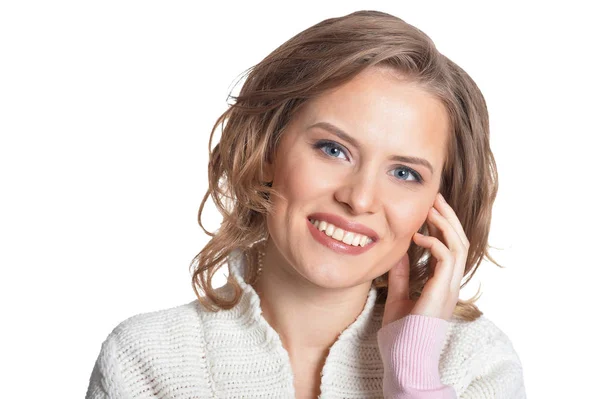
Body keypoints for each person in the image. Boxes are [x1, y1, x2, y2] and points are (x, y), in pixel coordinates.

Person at [86, 10, 526, 399]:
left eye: (405, 173)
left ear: (437, 206)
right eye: (333, 149)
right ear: (265, 151)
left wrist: (414, 377)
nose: (359, 198)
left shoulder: (476, 365)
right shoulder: (147, 362)